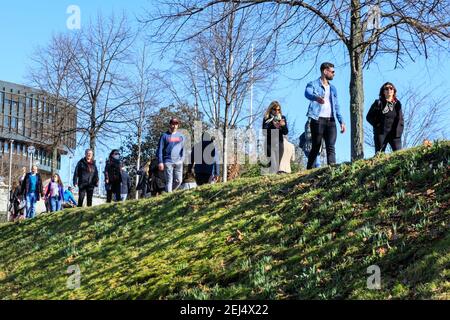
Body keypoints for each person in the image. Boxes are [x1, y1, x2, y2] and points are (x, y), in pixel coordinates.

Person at [304, 62, 346, 169]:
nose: (334, 74)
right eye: (332, 72)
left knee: (331, 146)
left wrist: (341, 121)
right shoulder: (313, 84)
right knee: (316, 146)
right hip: (317, 119)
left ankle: (332, 170)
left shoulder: (333, 89)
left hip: (331, 121)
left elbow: (336, 106)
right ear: (325, 71)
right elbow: (307, 93)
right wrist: (316, 98)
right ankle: (309, 171)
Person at [366, 82, 404, 153]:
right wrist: (377, 125)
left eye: (391, 88)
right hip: (381, 134)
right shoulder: (378, 103)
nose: (389, 90)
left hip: (395, 134)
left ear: (393, 91)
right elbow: (369, 117)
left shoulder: (397, 104)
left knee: (399, 155)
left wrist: (400, 131)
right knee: (379, 156)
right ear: (383, 92)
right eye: (386, 89)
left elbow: (401, 119)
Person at [157, 118, 185, 193]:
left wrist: (182, 159)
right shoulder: (164, 136)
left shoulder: (181, 136)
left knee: (179, 181)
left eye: (176, 124)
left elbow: (183, 149)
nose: (174, 126)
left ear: (178, 125)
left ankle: (167, 192)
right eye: (173, 124)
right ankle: (168, 195)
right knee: (169, 180)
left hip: (178, 161)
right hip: (168, 161)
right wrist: (160, 162)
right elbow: (160, 149)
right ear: (170, 125)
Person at [262, 101, 289, 174]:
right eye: (274, 109)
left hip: (279, 143)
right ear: (271, 109)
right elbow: (264, 132)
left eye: (278, 109)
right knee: (273, 164)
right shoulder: (266, 118)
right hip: (269, 144)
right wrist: (273, 126)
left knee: (277, 165)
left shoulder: (282, 118)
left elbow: (285, 132)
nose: (277, 111)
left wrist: (283, 126)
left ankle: (273, 181)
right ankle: (269, 179)